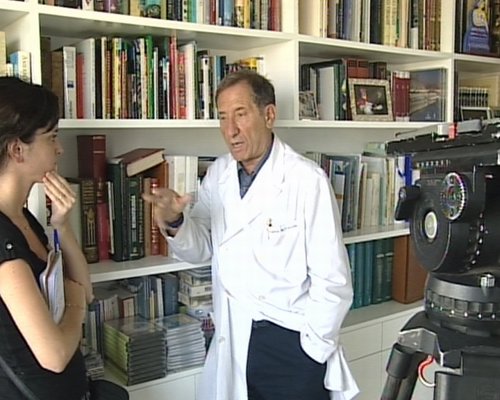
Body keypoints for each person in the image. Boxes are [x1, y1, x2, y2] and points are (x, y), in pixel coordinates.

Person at [144, 70, 359, 400]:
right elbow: (202, 249)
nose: (230, 130)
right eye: (223, 117)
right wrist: (175, 221)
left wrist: (313, 350)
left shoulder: (306, 180)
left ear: (268, 115)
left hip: (291, 342)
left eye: (241, 114)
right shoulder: (219, 174)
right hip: (234, 335)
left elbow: (333, 280)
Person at [0, 77, 93, 400]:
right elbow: (54, 355)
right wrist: (75, 303)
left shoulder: (24, 218)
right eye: (52, 137)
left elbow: (85, 288)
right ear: (17, 149)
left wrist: (62, 226)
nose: (60, 148)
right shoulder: (3, 239)